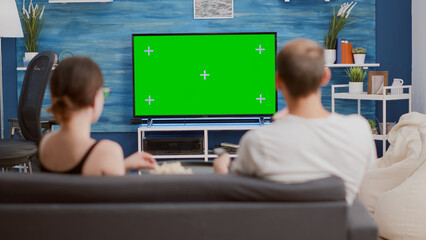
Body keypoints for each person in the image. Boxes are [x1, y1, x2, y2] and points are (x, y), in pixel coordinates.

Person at [214, 39, 376, 205]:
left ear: (277, 81)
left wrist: (221, 172)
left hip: (279, 229)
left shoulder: (258, 140)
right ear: (325, 76)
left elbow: (236, 196)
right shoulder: (359, 130)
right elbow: (368, 184)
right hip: (338, 229)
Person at [39, 57, 156, 175]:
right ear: (94, 99)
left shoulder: (45, 144)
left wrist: (125, 164)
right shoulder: (107, 153)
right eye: (103, 92)